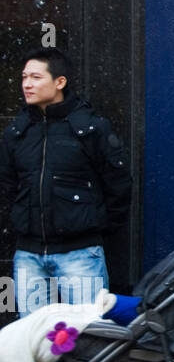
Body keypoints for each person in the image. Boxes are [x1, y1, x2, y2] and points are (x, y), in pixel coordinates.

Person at [1, 48, 130, 318]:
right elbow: (8, 186)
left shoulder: (91, 128)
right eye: (24, 77)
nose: (27, 84)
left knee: (87, 337)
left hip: (80, 254)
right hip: (28, 255)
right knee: (35, 344)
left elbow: (118, 187)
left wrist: (92, 228)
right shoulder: (17, 132)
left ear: (60, 82)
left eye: (36, 77)